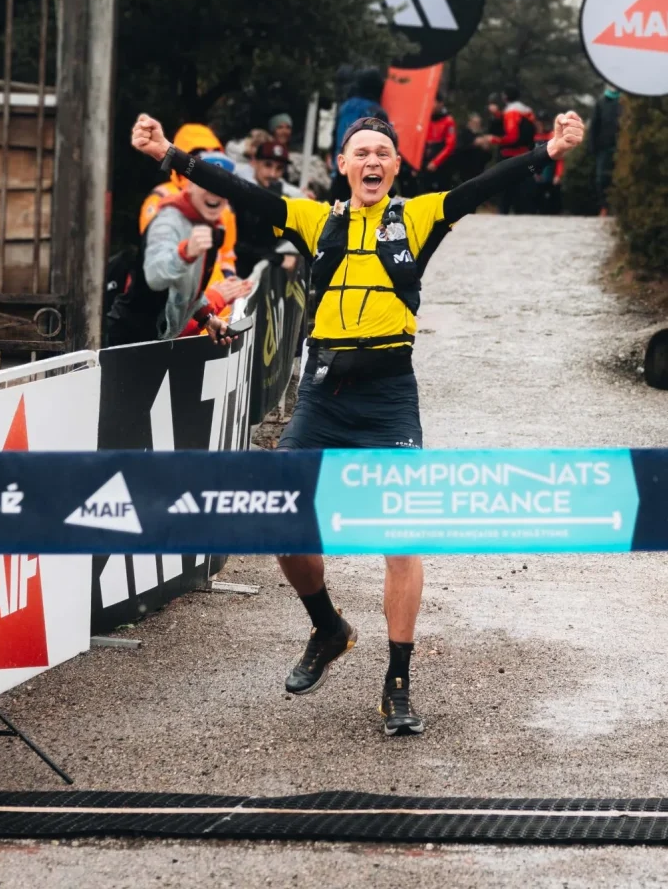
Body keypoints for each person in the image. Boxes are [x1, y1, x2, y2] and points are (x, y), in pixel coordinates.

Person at [131, 107, 585, 736]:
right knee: (280, 524)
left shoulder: (420, 214)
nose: (372, 162)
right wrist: (169, 157)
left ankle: (398, 680)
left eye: (383, 153)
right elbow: (243, 193)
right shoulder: (317, 219)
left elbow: (483, 186)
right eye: (361, 153)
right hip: (322, 395)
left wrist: (549, 148)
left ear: (397, 166)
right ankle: (327, 626)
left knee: (400, 537)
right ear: (341, 166)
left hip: (389, 395)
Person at [106, 151, 249, 345]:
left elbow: (186, 287)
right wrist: (186, 253)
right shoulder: (168, 220)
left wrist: (207, 317)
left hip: (163, 339)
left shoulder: (212, 225)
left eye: (223, 188)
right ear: (190, 185)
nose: (214, 195)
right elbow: (156, 277)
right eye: (206, 185)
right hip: (132, 339)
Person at [139, 123, 223, 236]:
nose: (208, 164)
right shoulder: (161, 197)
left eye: (214, 155)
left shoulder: (221, 199)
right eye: (199, 156)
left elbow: (228, 250)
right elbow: (155, 245)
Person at [234, 140, 301, 277]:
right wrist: (276, 258)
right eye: (268, 165)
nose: (272, 174)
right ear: (254, 162)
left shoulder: (285, 195)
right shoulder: (238, 193)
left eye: (279, 168)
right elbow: (235, 243)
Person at [330, 67, 388, 201]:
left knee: (336, 214)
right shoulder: (375, 111)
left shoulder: (345, 106)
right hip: (363, 174)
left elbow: (335, 135)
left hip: (341, 168)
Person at [478, 85, 536, 214]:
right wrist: (497, 114)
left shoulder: (511, 112)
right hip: (526, 154)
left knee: (506, 187)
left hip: (510, 155)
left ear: (505, 97)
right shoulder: (526, 110)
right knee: (524, 187)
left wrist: (494, 139)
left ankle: (504, 211)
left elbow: (512, 137)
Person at [589, 85, 622, 217]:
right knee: (601, 179)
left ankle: (618, 207)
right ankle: (604, 207)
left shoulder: (623, 101)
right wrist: (592, 147)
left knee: (619, 178)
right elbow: (594, 127)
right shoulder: (601, 102)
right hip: (604, 147)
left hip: (621, 146)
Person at [420, 94, 457, 193]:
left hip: (441, 164)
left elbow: (450, 145)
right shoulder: (426, 119)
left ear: (440, 104)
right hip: (426, 160)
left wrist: (436, 162)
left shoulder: (448, 120)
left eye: (434, 102)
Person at [532, 110, 564, 215]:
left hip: (551, 175)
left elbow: (560, 159)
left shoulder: (553, 137)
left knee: (553, 202)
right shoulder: (533, 138)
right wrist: (534, 172)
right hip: (537, 175)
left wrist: (558, 175)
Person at [453, 113, 490, 185]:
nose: (477, 125)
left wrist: (486, 149)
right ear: (470, 123)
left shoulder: (481, 135)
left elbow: (488, 157)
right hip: (464, 171)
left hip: (479, 172)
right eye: (475, 123)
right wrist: (474, 144)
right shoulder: (463, 134)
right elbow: (459, 150)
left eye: (479, 123)